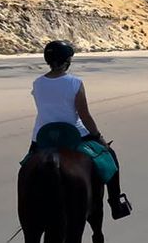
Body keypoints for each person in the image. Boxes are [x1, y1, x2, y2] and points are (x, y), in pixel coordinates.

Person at [29, 40, 132, 219]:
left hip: (43, 136)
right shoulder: (75, 82)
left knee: (27, 166)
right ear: (66, 61)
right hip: (73, 134)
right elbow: (84, 115)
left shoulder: (37, 83)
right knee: (111, 156)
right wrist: (98, 136)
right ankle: (116, 204)